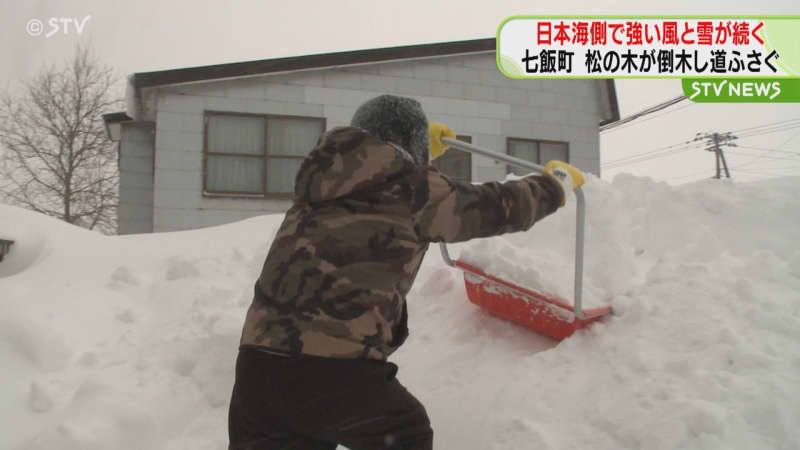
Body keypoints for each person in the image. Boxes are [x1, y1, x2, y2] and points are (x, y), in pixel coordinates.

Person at [228, 94, 585, 450]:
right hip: (332, 372)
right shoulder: (414, 189)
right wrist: (553, 186)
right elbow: (496, 207)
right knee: (406, 435)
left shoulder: (320, 184)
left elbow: (382, 179)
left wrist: (416, 156)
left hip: (258, 372)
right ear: (408, 145)